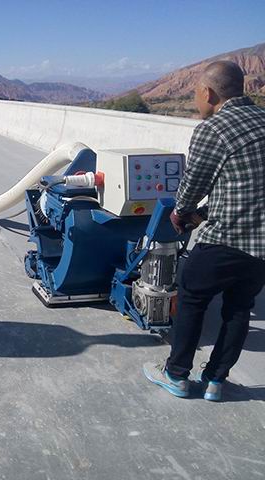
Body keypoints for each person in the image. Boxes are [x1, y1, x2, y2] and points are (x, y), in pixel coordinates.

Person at [144, 61, 265, 401]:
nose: (196, 99)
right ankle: (215, 381)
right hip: (261, 249)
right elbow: (245, 187)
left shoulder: (214, 128)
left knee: (192, 296)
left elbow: (193, 184)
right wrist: (203, 214)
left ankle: (176, 374)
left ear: (208, 93)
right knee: (239, 308)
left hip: (226, 240)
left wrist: (181, 212)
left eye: (196, 92)